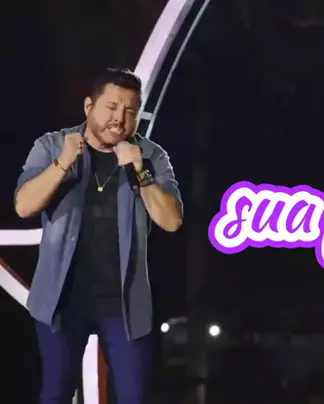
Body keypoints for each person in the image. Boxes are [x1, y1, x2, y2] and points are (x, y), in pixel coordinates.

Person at [14, 67, 183, 404]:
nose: (120, 118)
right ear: (89, 106)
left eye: (130, 111)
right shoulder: (51, 146)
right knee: (55, 394)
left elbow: (171, 221)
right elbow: (24, 206)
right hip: (61, 301)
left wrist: (140, 172)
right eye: (112, 107)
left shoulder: (151, 156)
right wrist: (63, 163)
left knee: (133, 397)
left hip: (124, 305)